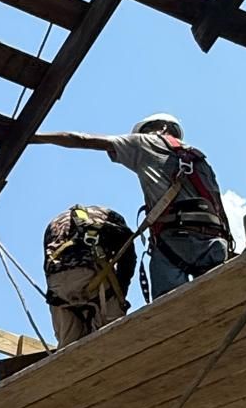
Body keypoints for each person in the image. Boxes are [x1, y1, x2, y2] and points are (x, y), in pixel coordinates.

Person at [32, 114, 232, 301]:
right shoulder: (200, 160)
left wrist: (34, 137)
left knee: (171, 313)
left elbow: (81, 139)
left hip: (175, 240)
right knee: (221, 302)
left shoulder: (146, 142)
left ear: (161, 128)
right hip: (214, 241)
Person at [41, 203, 136, 347]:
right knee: (112, 338)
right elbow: (127, 255)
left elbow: (50, 264)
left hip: (58, 286)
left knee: (69, 348)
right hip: (89, 275)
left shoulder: (54, 223)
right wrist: (120, 293)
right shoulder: (112, 218)